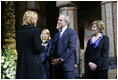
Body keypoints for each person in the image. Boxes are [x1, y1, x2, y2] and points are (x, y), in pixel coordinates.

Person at [16, 10, 45, 79]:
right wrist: (42, 47)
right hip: (33, 63)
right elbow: (37, 48)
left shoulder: (19, 31)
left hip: (22, 63)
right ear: (33, 19)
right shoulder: (34, 31)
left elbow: (17, 48)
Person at [51, 14, 77, 79]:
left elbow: (71, 48)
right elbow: (54, 48)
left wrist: (61, 59)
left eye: (60, 20)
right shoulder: (56, 34)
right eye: (58, 20)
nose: (58, 21)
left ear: (66, 22)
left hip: (67, 66)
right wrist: (53, 59)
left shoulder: (72, 33)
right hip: (57, 67)